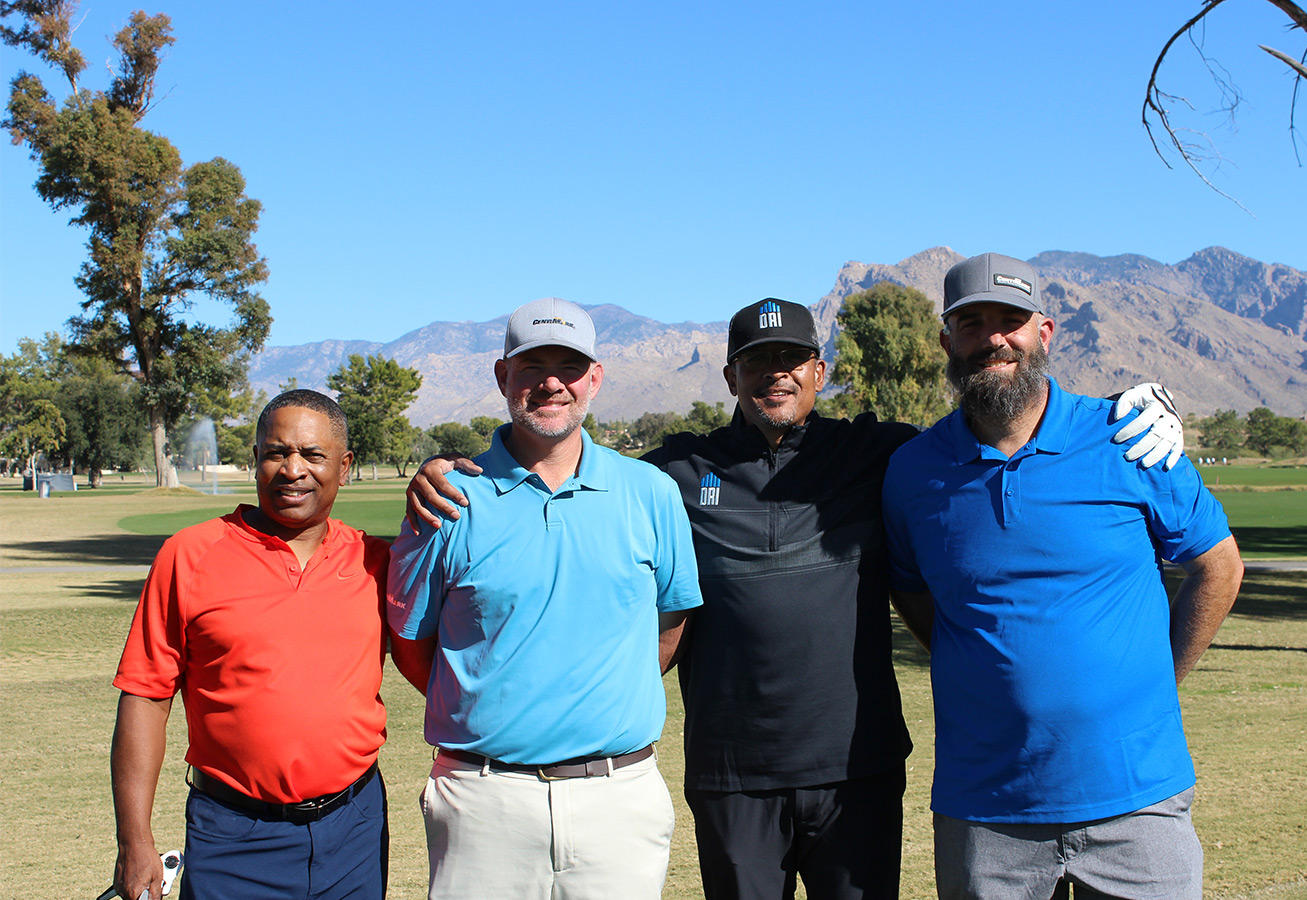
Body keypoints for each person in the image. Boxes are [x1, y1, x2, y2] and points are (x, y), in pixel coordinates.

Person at [405, 293, 1186, 900]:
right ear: (731, 377)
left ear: (819, 370)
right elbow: (562, 455)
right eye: (756, 360)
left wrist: (1131, 403)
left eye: (792, 358)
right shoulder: (672, 473)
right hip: (733, 772)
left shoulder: (881, 453)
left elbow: (999, 406)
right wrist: (446, 465)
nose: (774, 373)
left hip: (860, 768)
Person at [882, 252, 1244, 900]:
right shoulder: (913, 472)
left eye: (1011, 320)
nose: (994, 337)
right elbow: (912, 589)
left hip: (1138, 799)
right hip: (985, 810)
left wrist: (1159, 675)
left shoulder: (1129, 438)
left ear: (1043, 333)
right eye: (973, 322)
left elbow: (1218, 565)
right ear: (946, 340)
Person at [386, 297, 704, 900]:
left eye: (570, 366)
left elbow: (669, 624)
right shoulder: (449, 499)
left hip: (618, 797)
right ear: (504, 375)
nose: (552, 383)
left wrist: (600, 694)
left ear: (595, 379)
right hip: (483, 801)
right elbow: (410, 642)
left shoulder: (650, 492)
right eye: (533, 367)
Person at [111, 390, 395, 900]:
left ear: (345, 466)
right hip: (233, 834)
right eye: (275, 452)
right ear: (255, 460)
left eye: (312, 455)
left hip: (354, 826)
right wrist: (134, 839)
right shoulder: (190, 555)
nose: (292, 469)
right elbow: (145, 695)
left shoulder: (377, 561)